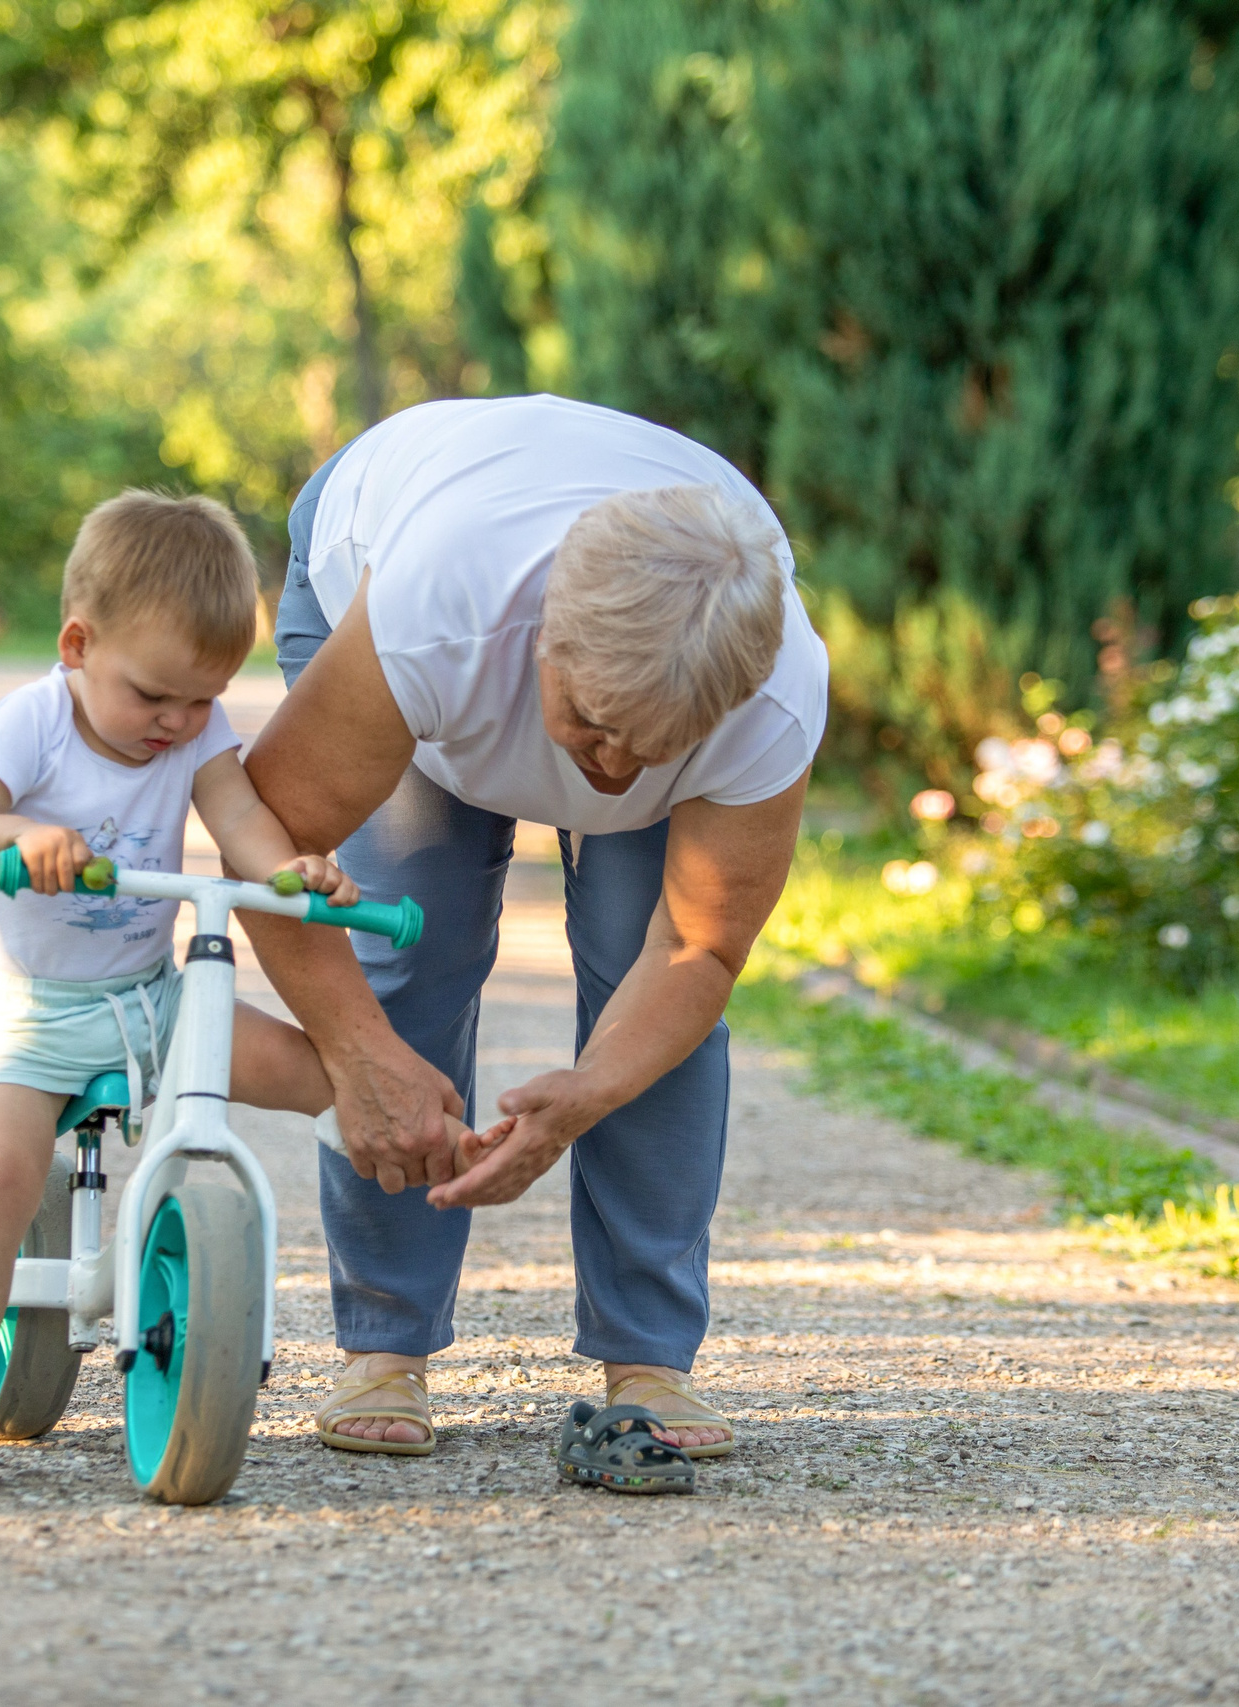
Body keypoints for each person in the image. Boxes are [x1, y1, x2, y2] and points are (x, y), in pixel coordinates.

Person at [240, 394, 828, 1468]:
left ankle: (649, 1359)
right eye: (592, 730)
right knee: (406, 947)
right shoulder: (437, 609)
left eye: (651, 750)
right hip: (409, 544)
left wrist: (587, 1093)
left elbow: (697, 949)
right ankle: (384, 1345)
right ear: (544, 645)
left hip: (619, 613)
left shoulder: (769, 695)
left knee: (642, 997)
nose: (606, 773)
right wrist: (356, 1050)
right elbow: (271, 850)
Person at [0, 491, 361, 1478]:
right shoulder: (34, 723)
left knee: (328, 1076)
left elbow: (240, 822)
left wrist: (291, 873)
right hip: (38, 1015)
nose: (178, 722)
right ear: (77, 644)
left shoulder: (194, 731)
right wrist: (21, 834)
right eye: (153, 696)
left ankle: (383, 1302)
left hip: (152, 999)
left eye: (201, 698)